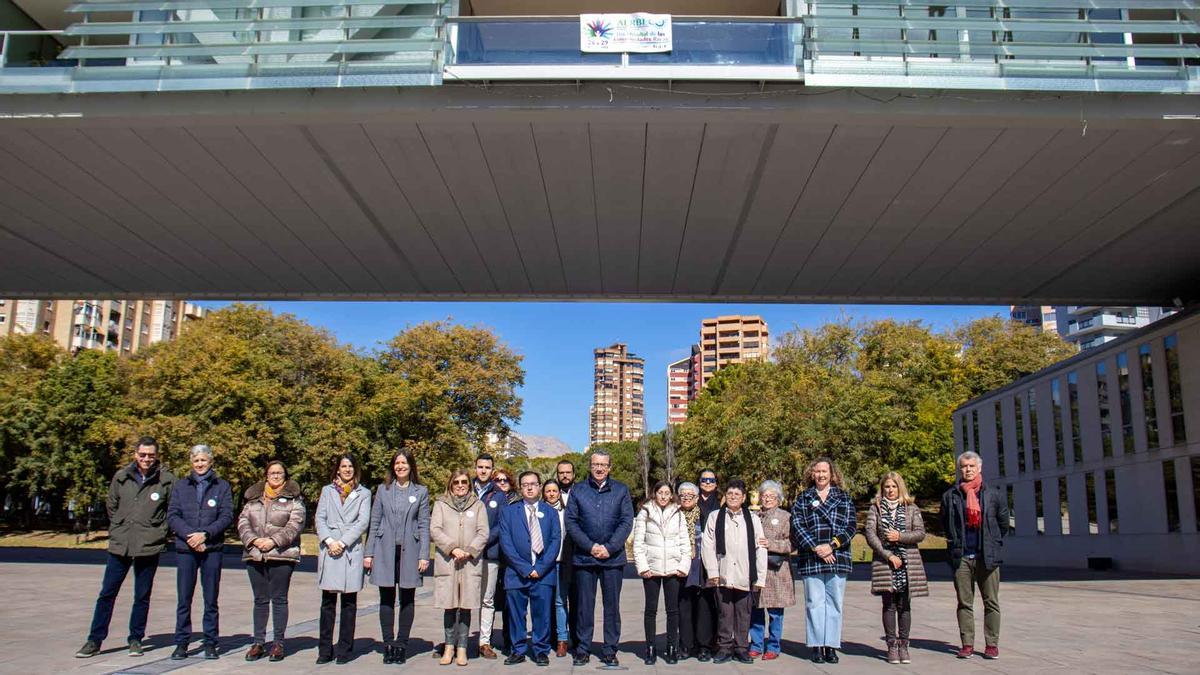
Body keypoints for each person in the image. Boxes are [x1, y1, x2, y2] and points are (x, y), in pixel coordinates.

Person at [76, 437, 177, 659]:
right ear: (135, 454)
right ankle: (94, 640)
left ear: (156, 455)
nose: (146, 459)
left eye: (151, 455)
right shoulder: (121, 477)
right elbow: (111, 505)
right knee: (107, 593)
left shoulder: (167, 480)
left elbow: (172, 510)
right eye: (143, 454)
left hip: (148, 545)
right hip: (120, 544)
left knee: (142, 595)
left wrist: (159, 531)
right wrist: (120, 526)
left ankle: (135, 639)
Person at [564, 450, 634, 667]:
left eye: (604, 464)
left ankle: (610, 650)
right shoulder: (579, 490)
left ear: (610, 467)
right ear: (590, 466)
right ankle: (582, 649)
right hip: (585, 558)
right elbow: (571, 522)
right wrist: (591, 546)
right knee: (584, 607)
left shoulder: (621, 490)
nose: (600, 468)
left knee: (611, 607)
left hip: (612, 559)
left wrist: (609, 547)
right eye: (596, 464)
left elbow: (626, 521)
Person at [167, 444, 234, 661]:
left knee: (210, 599)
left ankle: (211, 643)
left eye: (203, 460)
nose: (200, 464)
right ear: (191, 462)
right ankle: (181, 643)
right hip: (186, 549)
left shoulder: (222, 486)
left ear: (211, 461)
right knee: (184, 599)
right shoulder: (181, 486)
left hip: (211, 549)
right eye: (196, 461)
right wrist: (191, 536)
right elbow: (173, 516)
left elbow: (226, 516)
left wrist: (205, 534)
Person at [365, 449, 431, 665]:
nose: (400, 466)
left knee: (407, 599)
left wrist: (424, 555)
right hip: (385, 549)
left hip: (410, 551)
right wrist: (369, 553)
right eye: (397, 463)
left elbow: (423, 524)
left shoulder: (421, 491)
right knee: (386, 598)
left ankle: (401, 645)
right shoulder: (383, 490)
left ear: (411, 466)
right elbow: (374, 522)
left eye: (404, 463)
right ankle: (388, 644)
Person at [942, 451, 1009, 660]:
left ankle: (991, 644)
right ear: (960, 469)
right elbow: (946, 523)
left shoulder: (993, 494)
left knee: (991, 602)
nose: (968, 469)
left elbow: (1003, 524)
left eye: (971, 466)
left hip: (986, 556)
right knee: (964, 602)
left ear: (979, 468)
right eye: (964, 466)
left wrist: (993, 543)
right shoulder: (950, 495)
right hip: (962, 555)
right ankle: (967, 644)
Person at [791, 457, 856, 665]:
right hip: (812, 556)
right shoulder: (803, 498)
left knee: (834, 603)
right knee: (814, 603)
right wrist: (817, 547)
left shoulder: (843, 497)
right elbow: (798, 526)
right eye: (817, 471)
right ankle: (817, 645)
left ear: (832, 474)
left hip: (837, 556)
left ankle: (831, 645)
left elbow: (851, 526)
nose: (820, 475)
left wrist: (832, 546)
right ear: (812, 474)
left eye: (824, 471)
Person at [238, 460, 305, 662]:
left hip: (282, 555)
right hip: (255, 554)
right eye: (272, 473)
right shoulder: (253, 498)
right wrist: (254, 541)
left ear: (285, 476)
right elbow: (243, 522)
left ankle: (278, 643)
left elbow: (295, 525)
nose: (275, 476)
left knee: (279, 599)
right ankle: (259, 642)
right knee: (260, 600)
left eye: (279, 473)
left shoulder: (294, 499)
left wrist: (273, 541)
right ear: (266, 476)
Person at [865, 471, 928, 665]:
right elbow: (870, 534)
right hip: (886, 562)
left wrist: (900, 537)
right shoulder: (875, 509)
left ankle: (904, 645)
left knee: (904, 605)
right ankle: (891, 645)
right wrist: (888, 554)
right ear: (882, 489)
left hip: (907, 562)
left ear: (899, 487)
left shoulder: (911, 508)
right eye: (887, 487)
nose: (890, 490)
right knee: (889, 604)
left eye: (893, 486)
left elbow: (920, 533)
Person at [499, 471, 562, 666]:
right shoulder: (509, 511)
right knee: (516, 614)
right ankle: (518, 649)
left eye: (533, 484)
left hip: (544, 574)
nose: (529, 487)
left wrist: (540, 568)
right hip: (517, 573)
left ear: (539, 486)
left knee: (542, 614)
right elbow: (506, 542)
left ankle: (541, 650)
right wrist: (525, 568)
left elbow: (555, 541)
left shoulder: (550, 512)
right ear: (519, 487)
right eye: (525, 484)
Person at [314, 453, 372, 665]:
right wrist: (330, 540)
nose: (347, 470)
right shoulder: (327, 491)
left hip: (349, 549)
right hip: (330, 549)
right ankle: (324, 649)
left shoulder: (363, 493)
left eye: (350, 467)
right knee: (327, 603)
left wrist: (343, 542)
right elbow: (319, 518)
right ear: (337, 469)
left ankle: (345, 649)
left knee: (349, 603)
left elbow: (362, 521)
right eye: (343, 466)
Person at [701, 479, 766, 665]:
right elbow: (707, 545)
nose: (733, 497)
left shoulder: (753, 519)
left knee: (743, 614)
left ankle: (741, 648)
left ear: (744, 497)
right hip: (723, 574)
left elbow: (760, 548)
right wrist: (713, 571)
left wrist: (760, 577)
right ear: (725, 496)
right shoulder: (715, 516)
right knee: (724, 614)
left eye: (737, 494)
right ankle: (724, 647)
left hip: (746, 575)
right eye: (730, 494)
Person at [431, 468, 489, 666]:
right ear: (450, 484)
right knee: (449, 605)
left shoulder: (478, 505)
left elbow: (483, 532)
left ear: (469, 484)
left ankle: (462, 647)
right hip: (448, 562)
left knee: (465, 606)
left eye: (464, 482)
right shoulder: (441, 504)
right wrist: (452, 548)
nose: (461, 485)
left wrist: (470, 550)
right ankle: (449, 647)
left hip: (469, 563)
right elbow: (435, 530)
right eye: (456, 482)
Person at [632, 481, 690, 665]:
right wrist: (642, 566)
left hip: (673, 568)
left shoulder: (678, 513)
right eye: (660, 493)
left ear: (671, 495)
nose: (664, 496)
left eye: (667, 493)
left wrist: (683, 565)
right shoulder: (645, 512)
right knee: (651, 610)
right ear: (654, 494)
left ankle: (672, 647)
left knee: (673, 611)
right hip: (652, 568)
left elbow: (685, 542)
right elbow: (638, 543)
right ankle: (650, 648)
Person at [749, 480, 795, 661]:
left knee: (776, 613)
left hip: (777, 571)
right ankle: (756, 644)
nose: (767, 499)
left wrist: (772, 544)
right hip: (758, 571)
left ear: (778, 499)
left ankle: (774, 646)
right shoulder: (754, 515)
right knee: (756, 610)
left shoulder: (786, 517)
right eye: (764, 495)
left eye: (771, 496)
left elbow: (792, 543)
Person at [479, 466, 513, 658]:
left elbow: (503, 525)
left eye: (505, 480)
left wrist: (483, 539)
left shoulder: (513, 499)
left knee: (502, 601)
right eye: (497, 480)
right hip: (487, 554)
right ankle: (476, 639)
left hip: (505, 557)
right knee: (480, 598)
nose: (501, 483)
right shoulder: (486, 496)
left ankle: (503, 640)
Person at [675, 481, 709, 661]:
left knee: (703, 607)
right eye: (683, 495)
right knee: (684, 607)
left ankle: (703, 645)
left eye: (691, 495)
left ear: (697, 498)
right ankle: (686, 645)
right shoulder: (674, 515)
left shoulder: (704, 515)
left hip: (701, 567)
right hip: (680, 568)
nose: (687, 498)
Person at [542, 479, 572, 657]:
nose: (552, 494)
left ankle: (562, 639)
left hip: (562, 561)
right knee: (544, 602)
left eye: (555, 491)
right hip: (544, 563)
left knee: (560, 602)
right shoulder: (538, 510)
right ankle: (545, 638)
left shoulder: (565, 512)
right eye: (548, 491)